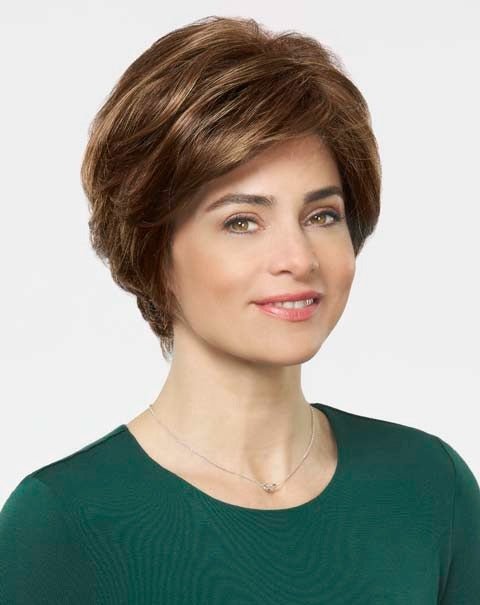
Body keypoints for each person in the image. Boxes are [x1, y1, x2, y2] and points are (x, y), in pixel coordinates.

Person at [1, 15, 479, 604]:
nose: (298, 258)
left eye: (321, 216)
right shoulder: (62, 524)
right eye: (242, 222)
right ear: (155, 252)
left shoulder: (429, 487)